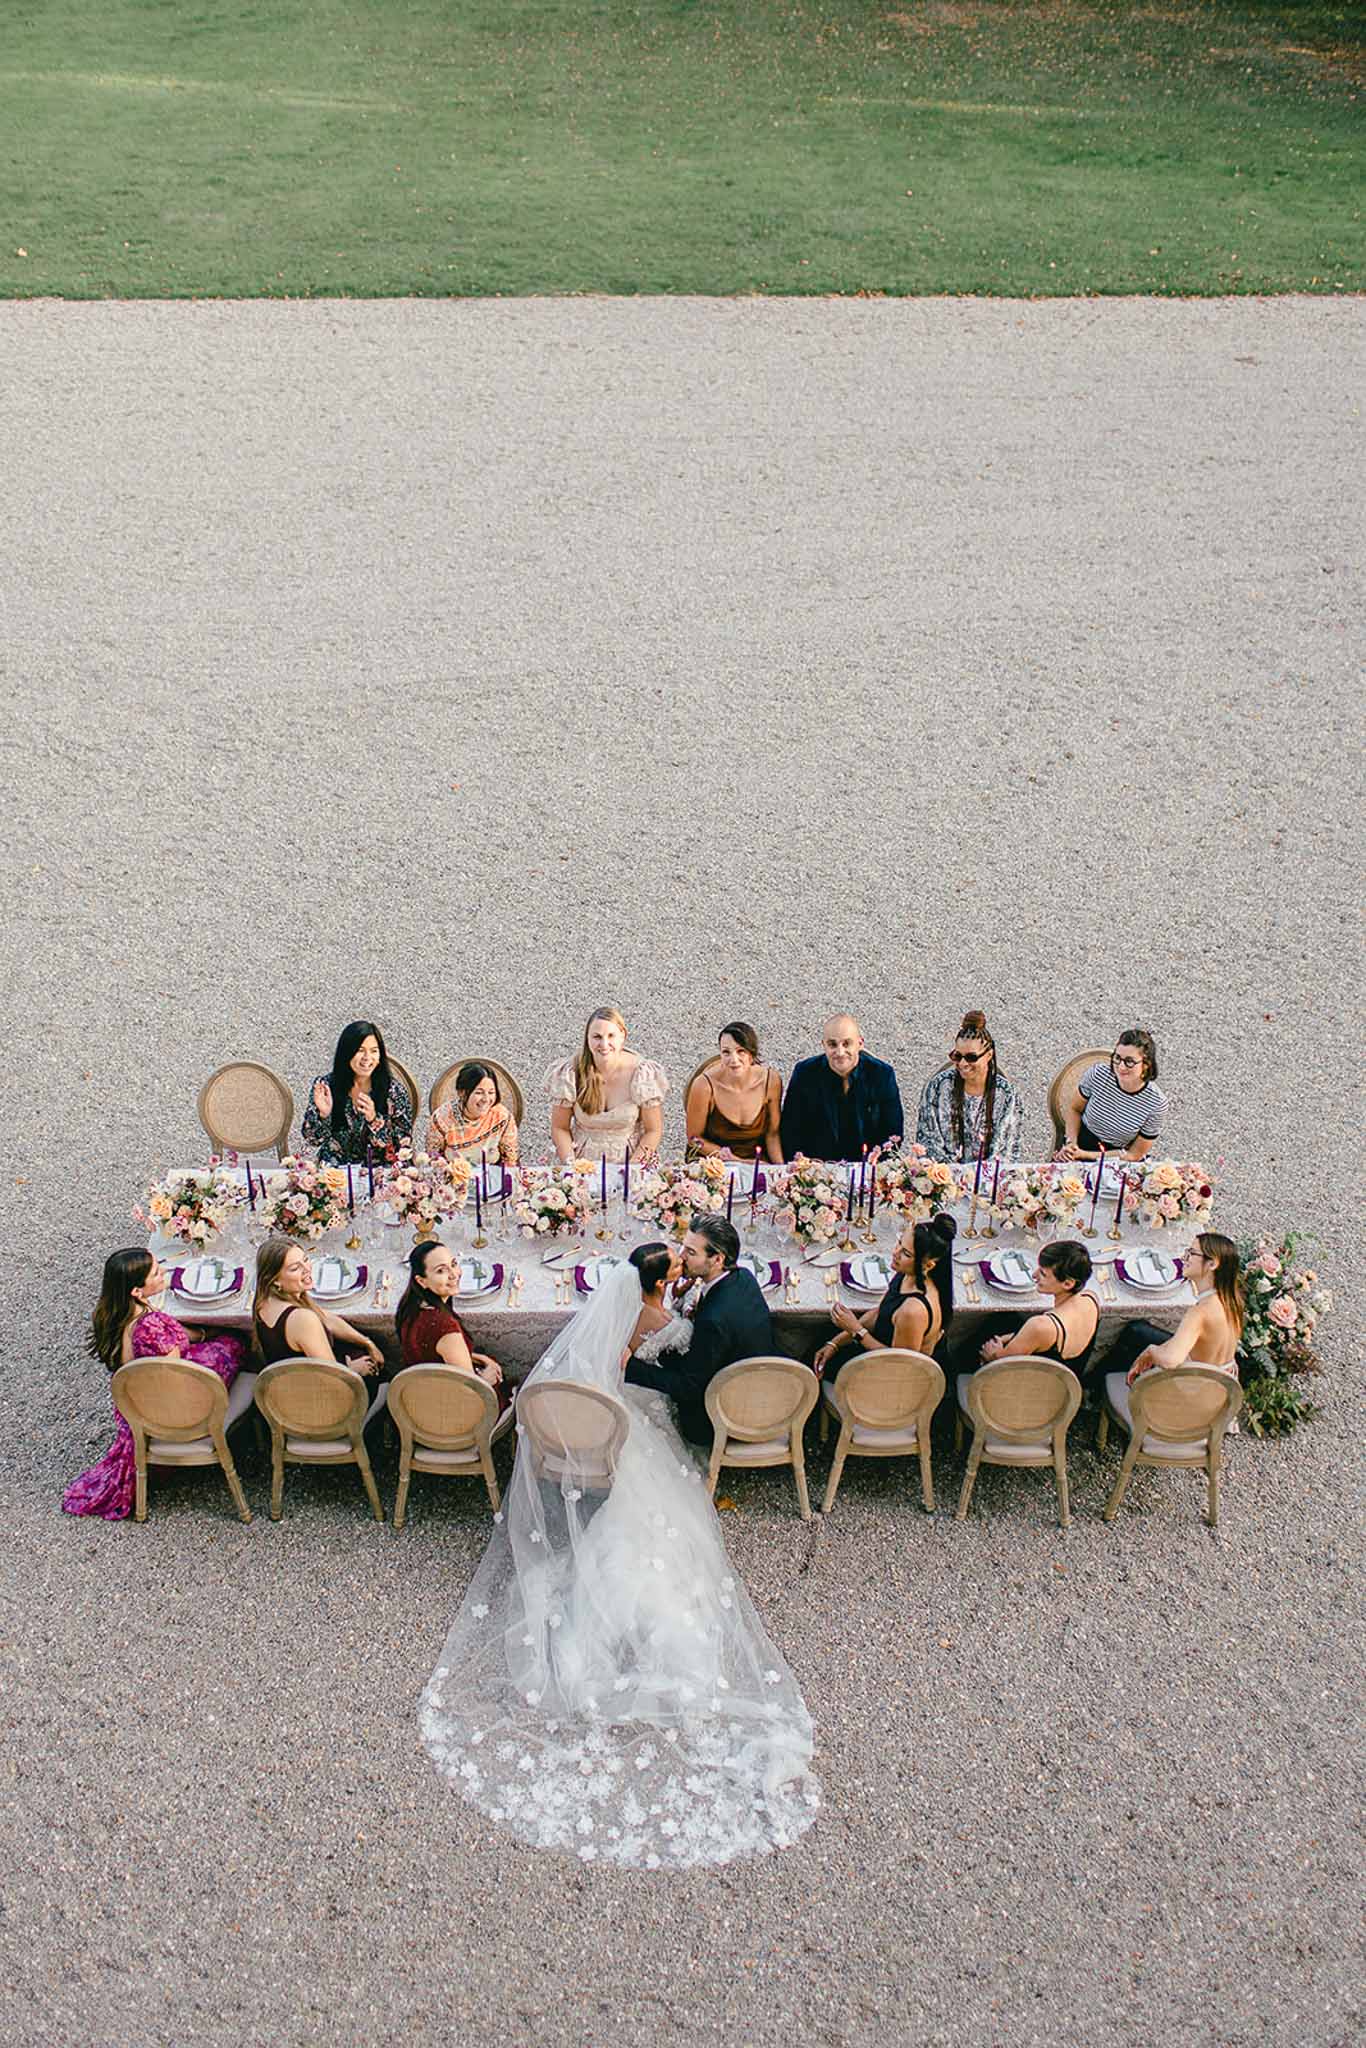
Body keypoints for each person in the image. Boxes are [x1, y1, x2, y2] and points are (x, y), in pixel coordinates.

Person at [417, 1261, 820, 1868]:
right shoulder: (659, 1315)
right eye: (678, 1265)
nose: (685, 1266)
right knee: (666, 1525)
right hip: (638, 1411)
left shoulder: (629, 1313)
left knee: (636, 1532)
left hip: (608, 1412)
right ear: (661, 1283)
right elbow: (667, 1364)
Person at [62, 1248, 247, 1520]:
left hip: (135, 1401)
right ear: (137, 1291)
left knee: (224, 1342)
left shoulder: (113, 1316)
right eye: (156, 1273)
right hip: (169, 1404)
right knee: (236, 1346)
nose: (163, 1273)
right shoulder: (151, 1327)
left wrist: (204, 1333)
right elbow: (175, 1377)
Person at [624, 1216, 774, 1447]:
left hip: (719, 1416)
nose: (682, 1256)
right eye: (684, 1247)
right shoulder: (743, 1276)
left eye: (691, 1252)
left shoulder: (714, 1320)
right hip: (759, 1378)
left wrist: (631, 1367)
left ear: (717, 1259)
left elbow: (689, 1387)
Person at [814, 1214, 956, 1377]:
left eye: (906, 1254)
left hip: (891, 1378)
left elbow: (900, 1364)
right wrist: (835, 1343)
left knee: (812, 1360)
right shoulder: (907, 1274)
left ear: (929, 1265)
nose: (895, 1253)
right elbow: (879, 1312)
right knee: (820, 1336)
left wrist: (856, 1331)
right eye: (899, 1243)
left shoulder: (913, 1311)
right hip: (878, 1348)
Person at [1102, 1232, 1245, 1386]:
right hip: (1220, 1384)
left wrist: (1151, 1351)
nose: (1184, 1258)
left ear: (1212, 1264)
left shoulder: (1201, 1312)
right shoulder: (1233, 1300)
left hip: (1192, 1388)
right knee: (1137, 1331)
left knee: (1135, 1333)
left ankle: (1095, 1386)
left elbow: (1171, 1359)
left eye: (1191, 1253)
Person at [956, 1240, 1100, 1381]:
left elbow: (1000, 1367)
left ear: (1067, 1283)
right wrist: (1009, 1338)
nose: (1034, 1275)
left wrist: (993, 1355)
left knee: (978, 1339)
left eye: (1043, 1274)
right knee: (1005, 1319)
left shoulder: (1039, 1326)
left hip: (1030, 1386)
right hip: (1063, 1380)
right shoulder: (1091, 1298)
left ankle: (954, 1378)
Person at [394, 1239, 510, 1412]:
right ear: (422, 1281)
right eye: (441, 1270)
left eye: (454, 1264)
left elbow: (435, 1354)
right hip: (450, 1412)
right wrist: (488, 1380)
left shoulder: (410, 1306)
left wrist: (478, 1358)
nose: (454, 1274)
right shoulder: (445, 1328)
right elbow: (471, 1394)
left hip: (421, 1396)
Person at [545, 1007, 667, 1164]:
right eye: (597, 1037)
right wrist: (571, 1165)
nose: (604, 1044)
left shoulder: (642, 1073)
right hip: (582, 1163)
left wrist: (633, 1168)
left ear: (623, 1035)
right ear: (587, 1038)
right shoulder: (571, 1072)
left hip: (632, 1161)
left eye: (611, 1036)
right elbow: (560, 1127)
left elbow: (653, 1130)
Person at [778, 1014, 903, 1163]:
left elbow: (892, 1131)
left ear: (860, 1043)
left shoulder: (882, 1074)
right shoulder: (805, 1073)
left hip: (867, 1167)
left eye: (846, 1043)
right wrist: (805, 1168)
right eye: (832, 1044)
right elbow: (790, 1129)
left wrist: (875, 1168)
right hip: (817, 1169)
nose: (840, 1052)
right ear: (823, 1044)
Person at [252, 1238, 385, 1377]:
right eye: (295, 1268)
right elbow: (332, 1376)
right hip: (318, 1391)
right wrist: (352, 1368)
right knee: (377, 1368)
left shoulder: (263, 1300)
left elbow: (327, 1318)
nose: (307, 1269)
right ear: (275, 1280)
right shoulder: (302, 1318)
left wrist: (367, 1342)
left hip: (288, 1381)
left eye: (306, 1259)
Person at [914, 1010, 1022, 1164]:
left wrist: (976, 1178)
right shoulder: (938, 1087)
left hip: (989, 1181)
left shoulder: (1007, 1095)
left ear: (989, 1055)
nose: (963, 1064)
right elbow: (928, 1143)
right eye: (957, 1056)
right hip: (944, 1178)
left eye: (971, 1057)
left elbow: (1006, 1152)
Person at [301, 1019, 414, 1166]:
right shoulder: (326, 1086)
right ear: (346, 1053)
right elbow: (313, 1140)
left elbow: (403, 1147)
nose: (367, 1058)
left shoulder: (394, 1091)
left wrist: (374, 1120)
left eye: (374, 1051)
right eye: (360, 1050)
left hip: (379, 1170)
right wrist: (323, 1115)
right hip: (335, 1169)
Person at [1055, 1031, 1165, 1162]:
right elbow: (1074, 1109)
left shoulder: (1156, 1104)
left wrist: (1084, 1155)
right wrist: (1071, 1144)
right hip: (1080, 1139)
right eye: (1117, 1058)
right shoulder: (1098, 1075)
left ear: (1146, 1065)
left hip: (1116, 1158)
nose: (1121, 1067)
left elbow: (1134, 1154)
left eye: (1129, 1062)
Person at [685, 1023, 783, 1162]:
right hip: (712, 1163)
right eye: (726, 1052)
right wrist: (735, 1161)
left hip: (757, 1162)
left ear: (752, 1053)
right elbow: (694, 1139)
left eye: (740, 1051)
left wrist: (780, 1169)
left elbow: (772, 1134)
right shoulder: (704, 1085)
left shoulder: (771, 1081)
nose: (733, 1059)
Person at [426, 1062, 519, 1169]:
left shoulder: (502, 1116)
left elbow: (510, 1160)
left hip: (492, 1178)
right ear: (462, 1093)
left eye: (491, 1092)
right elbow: (433, 1159)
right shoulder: (442, 1118)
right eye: (479, 1092)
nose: (486, 1099)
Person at [624, 1241, 692, 1363]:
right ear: (660, 1282)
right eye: (676, 1266)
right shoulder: (672, 1326)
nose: (682, 1260)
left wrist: (677, 1296)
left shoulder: (623, 1297)